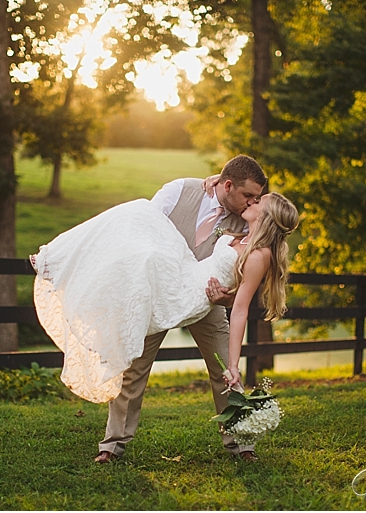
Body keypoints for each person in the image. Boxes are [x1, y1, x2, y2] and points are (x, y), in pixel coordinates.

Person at [31, 155, 298, 462]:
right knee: (134, 367)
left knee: (224, 367)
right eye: (247, 195)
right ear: (226, 184)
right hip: (157, 294)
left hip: (206, 300)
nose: (251, 201)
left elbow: (243, 277)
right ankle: (112, 446)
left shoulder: (247, 219)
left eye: (255, 198)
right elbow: (141, 234)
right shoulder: (180, 191)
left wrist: (228, 296)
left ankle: (241, 444)